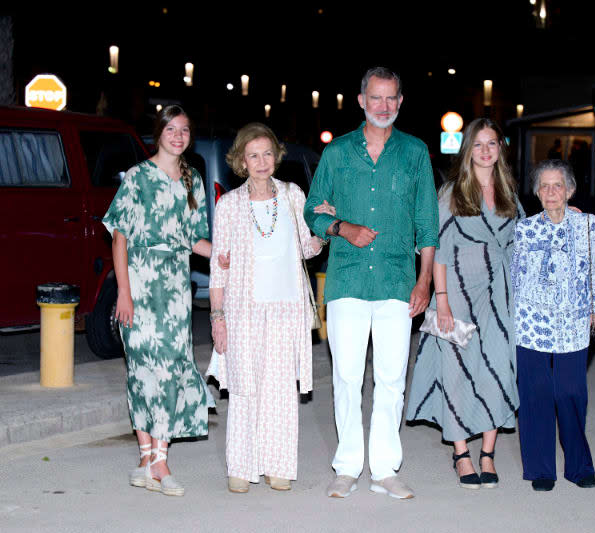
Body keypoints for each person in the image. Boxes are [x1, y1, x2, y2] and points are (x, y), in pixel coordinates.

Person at [304, 67, 439, 500]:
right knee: (345, 377)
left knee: (391, 377)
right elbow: (313, 211)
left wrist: (424, 283)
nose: (383, 106)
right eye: (375, 98)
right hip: (345, 280)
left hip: (398, 282)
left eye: (391, 99)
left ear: (400, 102)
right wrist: (343, 227)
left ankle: (384, 469)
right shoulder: (338, 152)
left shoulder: (415, 152)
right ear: (361, 100)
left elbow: (428, 225)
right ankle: (347, 466)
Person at [207, 123, 329, 493]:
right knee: (245, 388)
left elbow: (308, 250)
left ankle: (277, 465)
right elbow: (217, 265)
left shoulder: (293, 195)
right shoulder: (229, 204)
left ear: (276, 156)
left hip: (286, 309)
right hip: (244, 310)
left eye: (267, 154)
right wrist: (217, 317)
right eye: (253, 155)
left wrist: (322, 228)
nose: (261, 162)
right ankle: (241, 468)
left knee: (279, 390)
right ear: (241, 161)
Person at [406, 118, 524, 490]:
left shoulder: (508, 191)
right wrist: (441, 303)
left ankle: (487, 452)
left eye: (492, 143)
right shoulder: (452, 192)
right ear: (468, 149)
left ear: (500, 149)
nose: (486, 150)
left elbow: (524, 243)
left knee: (499, 369)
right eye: (478, 144)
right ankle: (460, 453)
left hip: (501, 296)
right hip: (457, 293)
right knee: (457, 372)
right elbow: (437, 250)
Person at [103, 105, 214, 497]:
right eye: (171, 128)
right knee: (141, 369)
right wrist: (125, 292)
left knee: (171, 367)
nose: (178, 135)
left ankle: (155, 459)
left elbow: (194, 237)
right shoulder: (136, 177)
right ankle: (152, 460)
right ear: (159, 133)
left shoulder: (192, 180)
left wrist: (220, 255)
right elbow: (120, 236)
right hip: (139, 283)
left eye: (184, 129)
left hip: (175, 288)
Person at [511, 159, 595, 492]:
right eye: (545, 186)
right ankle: (540, 469)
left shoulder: (586, 224)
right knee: (535, 395)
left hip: (573, 321)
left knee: (570, 393)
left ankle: (579, 466)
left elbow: (594, 270)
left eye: (558, 185)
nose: (551, 192)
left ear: (570, 190)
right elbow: (514, 275)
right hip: (531, 321)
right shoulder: (523, 229)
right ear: (536, 192)